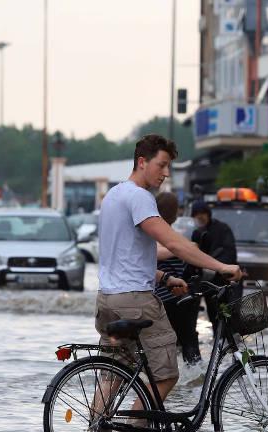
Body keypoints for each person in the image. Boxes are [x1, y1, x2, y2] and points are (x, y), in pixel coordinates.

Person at [95, 134, 242, 407]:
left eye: (168, 167)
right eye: (161, 165)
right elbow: (174, 243)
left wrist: (164, 277)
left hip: (107, 300)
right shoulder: (140, 197)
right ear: (142, 162)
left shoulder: (113, 196)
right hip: (136, 301)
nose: (165, 173)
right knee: (166, 375)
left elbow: (124, 257)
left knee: (111, 376)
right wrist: (222, 266)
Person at [153, 192, 202, 365]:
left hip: (167, 297)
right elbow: (154, 254)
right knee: (185, 339)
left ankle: (189, 376)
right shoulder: (164, 236)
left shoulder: (169, 235)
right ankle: (195, 376)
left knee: (181, 339)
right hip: (168, 298)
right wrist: (180, 248)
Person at [190, 200, 239, 323]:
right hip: (204, 282)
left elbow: (229, 252)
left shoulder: (222, 229)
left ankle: (229, 337)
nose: (200, 216)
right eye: (196, 214)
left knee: (226, 314)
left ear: (208, 214)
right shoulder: (195, 232)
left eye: (203, 213)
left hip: (222, 280)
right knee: (212, 314)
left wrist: (217, 267)